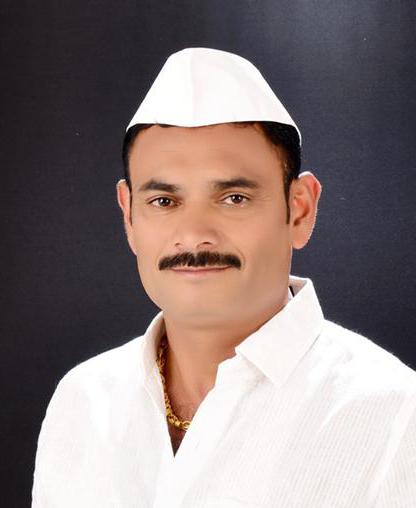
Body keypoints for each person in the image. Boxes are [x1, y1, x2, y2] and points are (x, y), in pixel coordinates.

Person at [32, 48, 416, 508]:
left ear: (300, 210)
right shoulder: (83, 402)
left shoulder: (395, 415)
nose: (194, 234)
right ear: (128, 214)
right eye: (164, 202)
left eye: (234, 198)